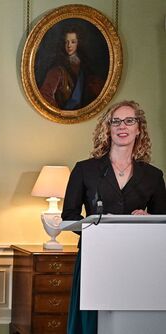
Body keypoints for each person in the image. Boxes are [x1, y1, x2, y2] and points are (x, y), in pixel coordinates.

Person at [61, 100, 166, 333]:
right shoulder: (84, 170)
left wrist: (147, 217)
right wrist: (96, 227)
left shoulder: (154, 176)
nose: (122, 126)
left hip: (138, 260)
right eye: (116, 121)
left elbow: (162, 221)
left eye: (129, 121)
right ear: (107, 128)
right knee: (90, 323)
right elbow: (69, 216)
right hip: (93, 256)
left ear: (139, 129)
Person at [38, 26, 105, 110]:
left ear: (78, 43)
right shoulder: (57, 69)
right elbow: (45, 94)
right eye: (66, 42)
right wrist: (60, 113)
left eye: (73, 42)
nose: (69, 45)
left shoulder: (85, 66)